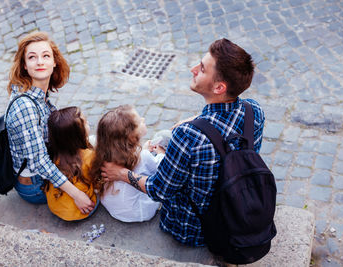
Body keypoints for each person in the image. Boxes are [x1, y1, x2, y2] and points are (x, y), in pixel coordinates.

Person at [101, 38, 265, 246]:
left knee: (163, 141)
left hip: (194, 229)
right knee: (168, 137)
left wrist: (121, 174)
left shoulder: (189, 136)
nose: (193, 69)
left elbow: (159, 190)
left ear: (219, 87)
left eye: (202, 69)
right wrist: (198, 119)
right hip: (234, 203)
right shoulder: (254, 110)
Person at [5, 31, 95, 214]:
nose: (39, 62)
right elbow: (39, 162)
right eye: (32, 57)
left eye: (45, 56)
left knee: (93, 144)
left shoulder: (35, 94)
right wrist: (77, 195)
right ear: (24, 65)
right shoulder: (25, 106)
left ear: (54, 62)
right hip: (35, 186)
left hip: (45, 169)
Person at [90, 105, 162, 222]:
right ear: (131, 137)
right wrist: (160, 153)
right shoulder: (142, 156)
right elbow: (159, 170)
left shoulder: (102, 152)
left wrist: (142, 150)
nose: (143, 119)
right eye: (139, 122)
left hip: (114, 208)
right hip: (138, 212)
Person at [44, 107, 98, 221]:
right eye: (85, 122)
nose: (88, 123)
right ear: (77, 135)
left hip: (55, 207)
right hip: (80, 211)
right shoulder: (89, 156)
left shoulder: (54, 154)